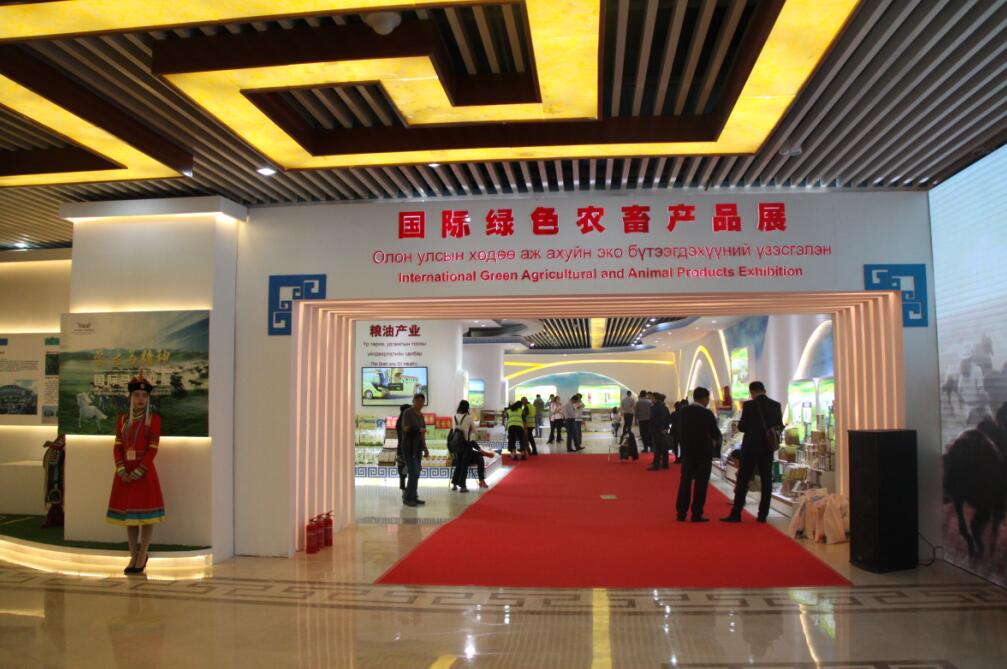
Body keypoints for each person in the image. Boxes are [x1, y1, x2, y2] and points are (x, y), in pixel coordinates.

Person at [106, 374, 165, 575]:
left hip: (144, 474)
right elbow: (117, 447)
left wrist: (139, 471)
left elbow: (153, 449)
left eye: (144, 396)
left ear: (148, 398)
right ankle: (133, 554)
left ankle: (143, 553)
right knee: (129, 517)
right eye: (137, 395)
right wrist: (122, 470)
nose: (141, 399)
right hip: (125, 474)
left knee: (146, 517)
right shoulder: (122, 420)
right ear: (130, 397)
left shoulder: (153, 420)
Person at [722, 381, 784, 523]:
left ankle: (736, 513)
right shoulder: (776, 405)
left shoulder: (749, 405)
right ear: (764, 390)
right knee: (766, 480)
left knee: (743, 479)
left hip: (750, 447)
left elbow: (742, 427)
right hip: (767, 448)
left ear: (752, 392)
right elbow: (779, 426)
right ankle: (762, 515)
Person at [675, 387, 721, 522]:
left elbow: (679, 431)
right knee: (701, 483)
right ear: (705, 398)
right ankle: (696, 513)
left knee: (685, 481)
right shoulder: (707, 414)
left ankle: (681, 512)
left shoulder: (683, 412)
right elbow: (715, 433)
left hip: (687, 452)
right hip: (703, 452)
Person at [401, 393, 430, 507]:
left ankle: (413, 496)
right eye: (418, 401)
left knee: (417, 472)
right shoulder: (407, 412)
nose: (420, 403)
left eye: (422, 401)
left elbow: (422, 434)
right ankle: (408, 498)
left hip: (418, 447)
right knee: (413, 472)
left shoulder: (421, 416)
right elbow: (405, 428)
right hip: (408, 447)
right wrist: (418, 429)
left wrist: (425, 448)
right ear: (413, 401)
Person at [450, 400, 476, 492]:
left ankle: (454, 484)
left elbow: (453, 429)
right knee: (464, 465)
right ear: (467, 408)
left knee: (458, 464)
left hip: (456, 444)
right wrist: (468, 431)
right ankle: (463, 486)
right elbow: (474, 430)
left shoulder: (454, 416)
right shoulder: (468, 417)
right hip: (466, 444)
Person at [647, 393, 671, 470]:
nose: (651, 399)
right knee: (664, 447)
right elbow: (668, 419)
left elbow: (653, 420)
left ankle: (656, 464)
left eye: (652, 398)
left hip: (656, 430)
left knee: (657, 448)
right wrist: (666, 428)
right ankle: (665, 464)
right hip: (664, 430)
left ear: (655, 398)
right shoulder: (665, 408)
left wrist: (652, 430)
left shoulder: (654, 408)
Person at [394, 403, 411, 491]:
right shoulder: (405, 423)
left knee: (402, 469)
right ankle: (406, 489)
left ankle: (403, 488)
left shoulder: (398, 422)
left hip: (400, 449)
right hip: (407, 449)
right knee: (408, 468)